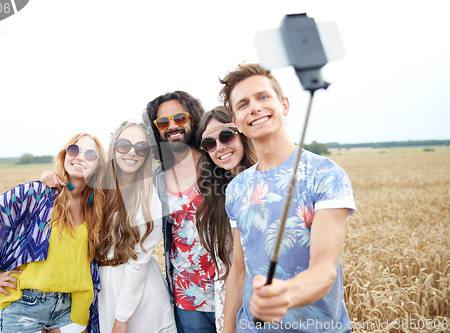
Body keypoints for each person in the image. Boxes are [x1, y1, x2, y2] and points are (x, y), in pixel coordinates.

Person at [219, 63, 356, 333]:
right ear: (237, 123)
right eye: (243, 104)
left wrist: (284, 294)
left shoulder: (325, 175)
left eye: (262, 97)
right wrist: (227, 329)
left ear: (284, 105)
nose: (255, 108)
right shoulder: (236, 188)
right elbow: (239, 270)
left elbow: (324, 269)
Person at [0, 132, 106, 333]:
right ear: (65, 155)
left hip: (70, 309)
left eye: (90, 154)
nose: (80, 157)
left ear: (99, 166)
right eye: (74, 150)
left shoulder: (95, 207)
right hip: (23, 309)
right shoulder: (38, 193)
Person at [41, 122, 177, 333]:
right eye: (124, 145)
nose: (132, 152)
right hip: (101, 286)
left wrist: (121, 319)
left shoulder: (148, 196)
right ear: (114, 148)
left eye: (141, 147)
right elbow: (71, 188)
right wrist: (49, 176)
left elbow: (138, 265)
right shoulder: (98, 184)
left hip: (138, 291)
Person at [143, 91, 216, 333]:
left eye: (179, 118)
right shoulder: (156, 179)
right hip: (187, 299)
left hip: (232, 290)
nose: (172, 126)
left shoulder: (217, 162)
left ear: (193, 119)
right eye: (163, 122)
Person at [195, 106, 257, 332]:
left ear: (242, 133)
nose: (219, 147)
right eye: (210, 143)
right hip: (229, 305)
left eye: (226, 136)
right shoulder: (216, 196)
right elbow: (227, 271)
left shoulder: (267, 184)